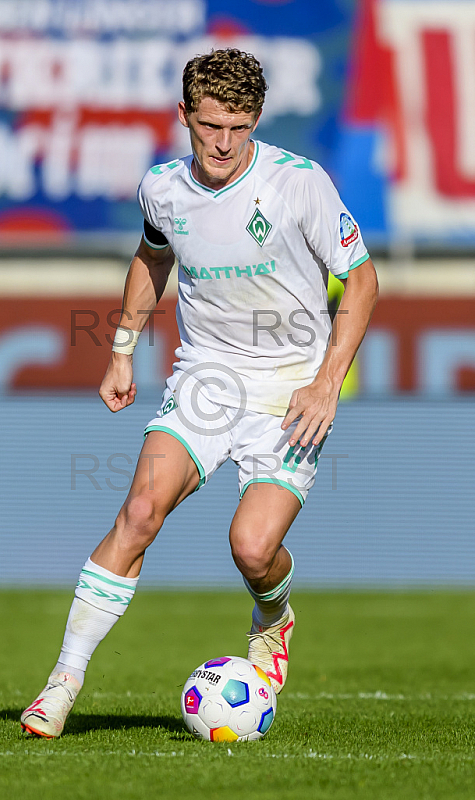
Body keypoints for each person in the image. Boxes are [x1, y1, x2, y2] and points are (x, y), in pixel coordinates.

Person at [21, 48, 378, 738]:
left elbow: (360, 280)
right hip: (206, 378)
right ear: (184, 115)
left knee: (251, 547)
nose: (223, 142)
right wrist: (122, 350)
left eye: (239, 127)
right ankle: (62, 682)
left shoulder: (299, 183)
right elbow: (154, 255)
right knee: (140, 511)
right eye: (210, 124)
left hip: (290, 390)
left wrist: (326, 383)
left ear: (257, 121)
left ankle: (273, 614)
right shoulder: (162, 188)